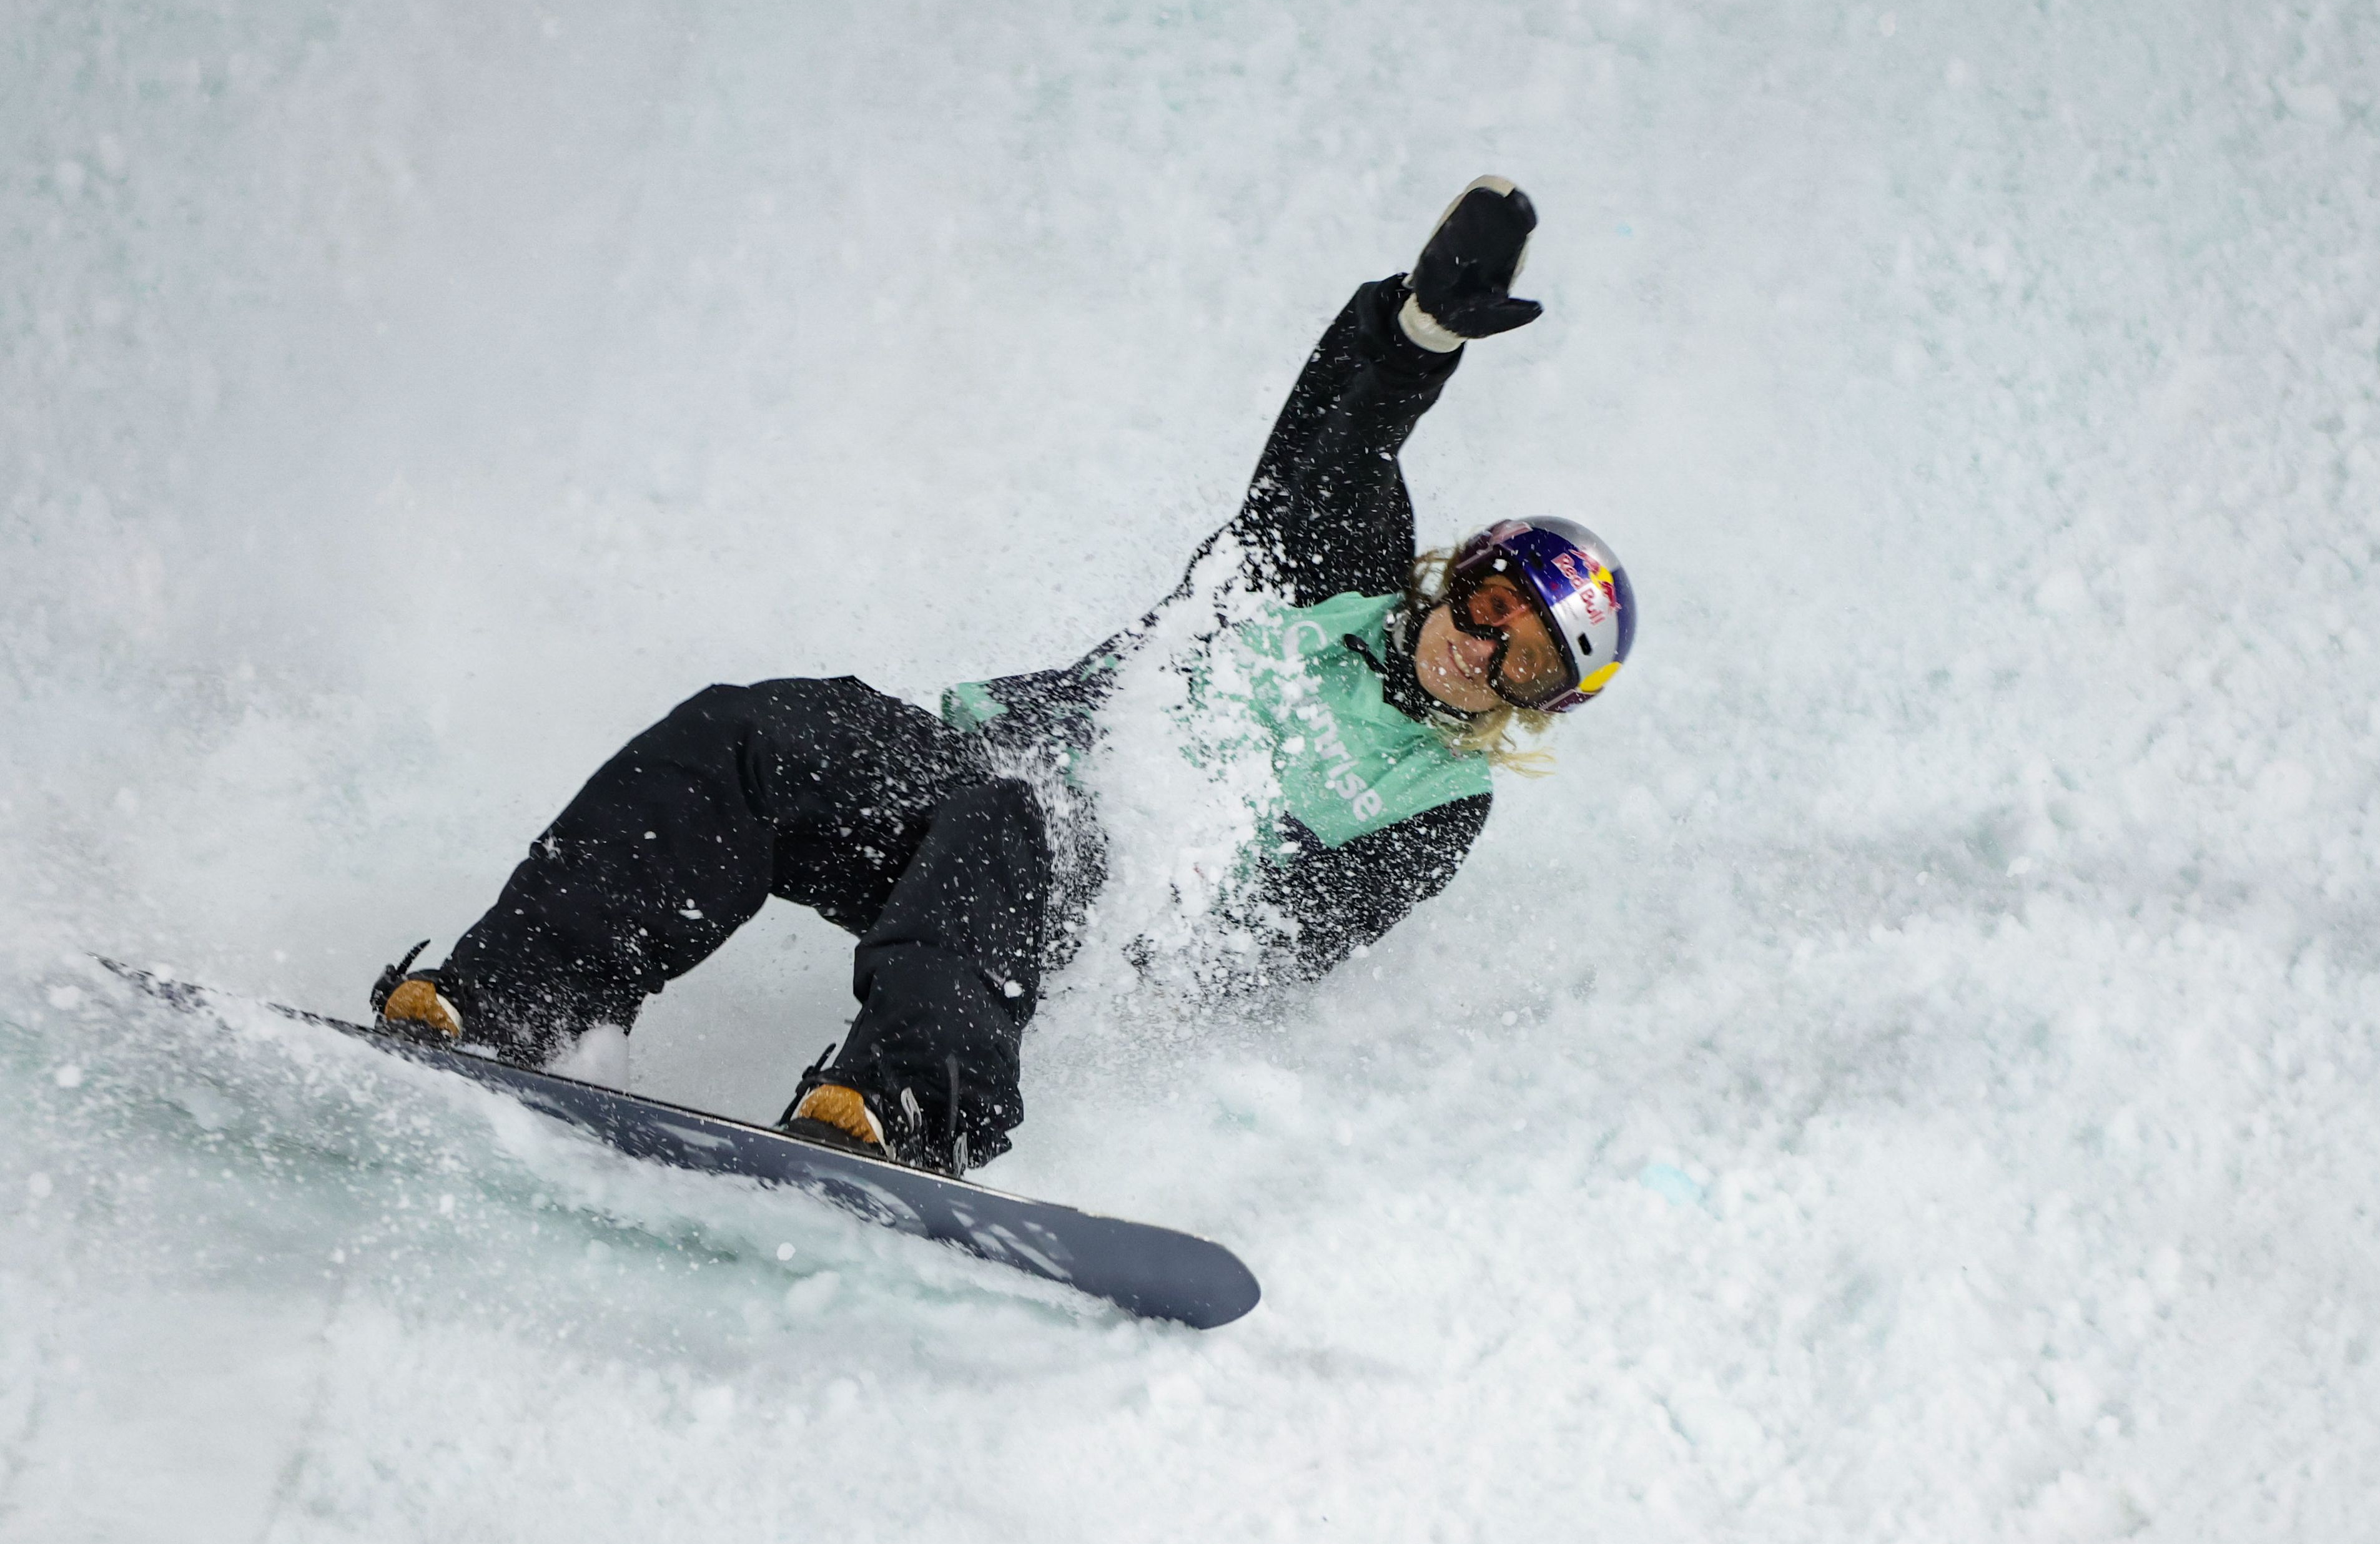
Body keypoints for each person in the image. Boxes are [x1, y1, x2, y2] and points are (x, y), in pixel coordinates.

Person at [371, 176, 1637, 1176]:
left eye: (1523, 666)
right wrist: (1415, 329)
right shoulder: (1319, 566)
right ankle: (510, 999)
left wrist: (1171, 922)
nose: (1481, 651)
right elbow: (1342, 426)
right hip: (982, 780)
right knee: (763, 736)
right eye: (1487, 607)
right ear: (1455, 575)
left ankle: (908, 1109)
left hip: (1105, 911)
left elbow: (1286, 941)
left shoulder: (1435, 804)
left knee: (1018, 812)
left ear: (1533, 707)